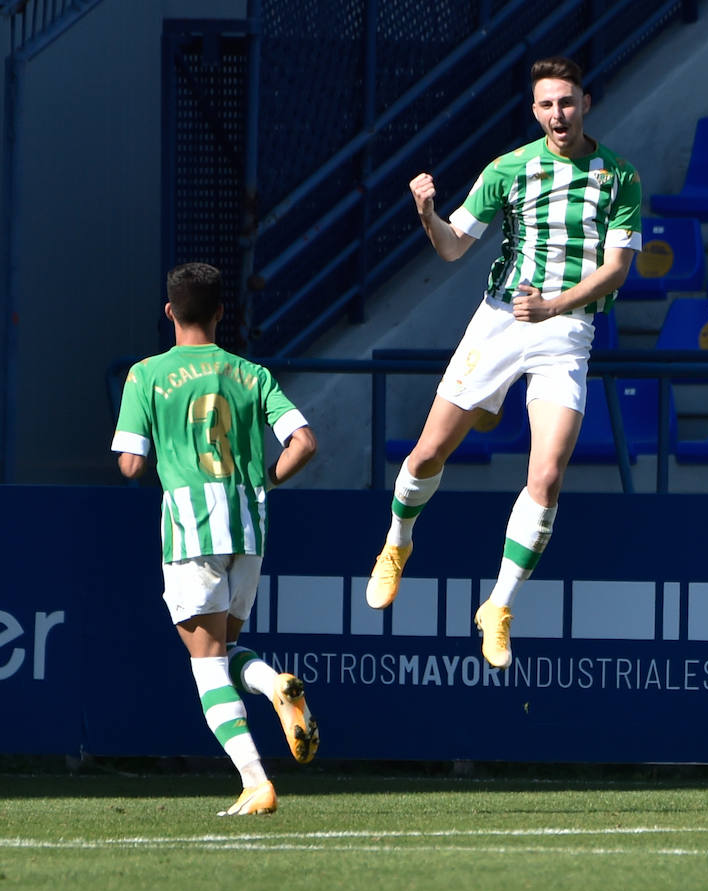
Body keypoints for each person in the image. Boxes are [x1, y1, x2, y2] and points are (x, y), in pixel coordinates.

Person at [364, 56, 642, 670]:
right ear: (535, 110)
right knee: (426, 454)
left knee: (547, 475)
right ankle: (396, 543)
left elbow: (617, 269)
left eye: (566, 101)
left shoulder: (619, 176)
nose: (557, 114)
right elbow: (453, 247)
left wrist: (554, 307)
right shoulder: (508, 169)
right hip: (499, 322)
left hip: (566, 329)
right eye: (546, 104)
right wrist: (427, 215)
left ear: (586, 102)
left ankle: (499, 605)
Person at [111, 262, 320, 816]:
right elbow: (304, 442)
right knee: (222, 651)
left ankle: (255, 781)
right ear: (221, 312)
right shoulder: (252, 374)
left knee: (206, 666)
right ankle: (273, 685)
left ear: (169, 312)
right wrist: (266, 478)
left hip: (191, 528)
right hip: (247, 526)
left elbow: (130, 464)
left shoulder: (145, 375)